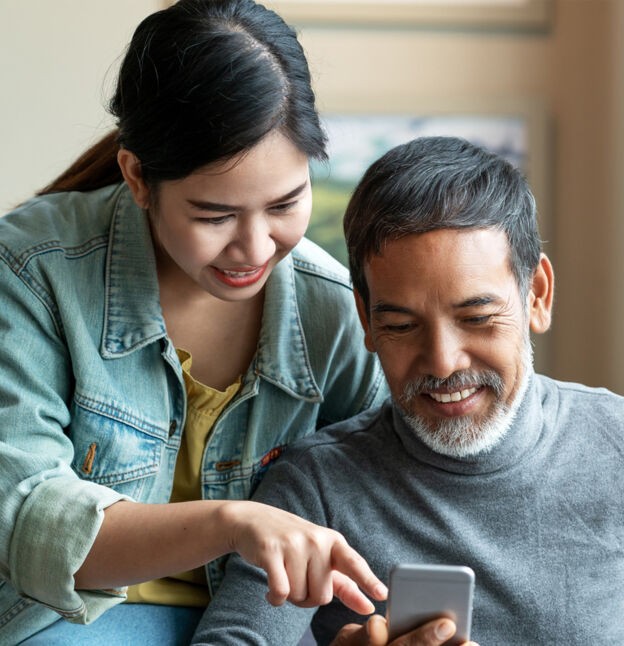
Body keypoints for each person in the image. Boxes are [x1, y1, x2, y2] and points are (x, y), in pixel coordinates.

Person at [191, 135, 624, 645]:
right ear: (366, 322)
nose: (442, 362)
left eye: (477, 317)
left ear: (536, 294)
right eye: (402, 325)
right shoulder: (316, 488)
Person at [0, 2, 458, 644]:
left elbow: (396, 497)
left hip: (262, 622)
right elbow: (27, 523)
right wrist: (231, 524)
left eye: (285, 204)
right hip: (65, 617)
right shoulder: (30, 270)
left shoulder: (331, 310)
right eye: (214, 216)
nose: (255, 248)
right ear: (138, 177)